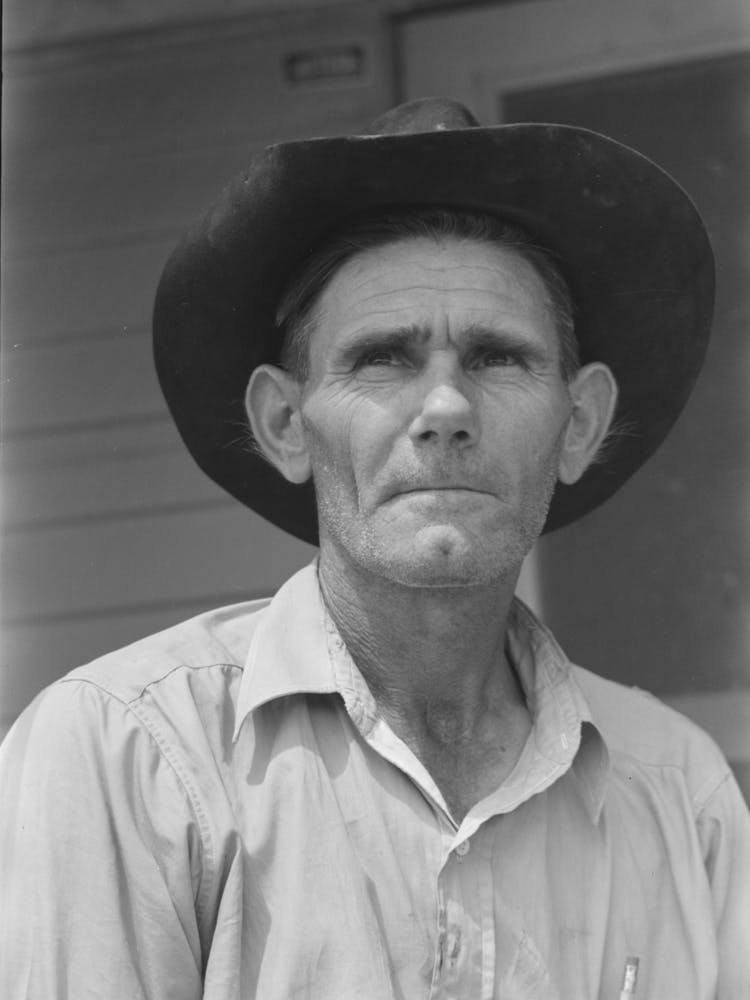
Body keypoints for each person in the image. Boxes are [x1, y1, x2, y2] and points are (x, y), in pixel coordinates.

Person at [1, 97, 748, 999]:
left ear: (579, 422)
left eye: (498, 358)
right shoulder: (132, 754)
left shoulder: (678, 793)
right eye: (384, 359)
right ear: (285, 422)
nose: (445, 409)